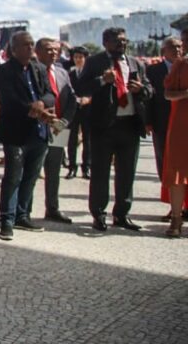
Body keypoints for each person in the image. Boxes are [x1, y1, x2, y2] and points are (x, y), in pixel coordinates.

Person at [75, 27, 153, 232]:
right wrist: (102, 80)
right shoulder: (95, 62)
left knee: (127, 172)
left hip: (130, 124)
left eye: (125, 41)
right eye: (118, 41)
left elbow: (149, 89)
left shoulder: (135, 63)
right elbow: (81, 88)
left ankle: (121, 214)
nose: (123, 44)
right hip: (104, 126)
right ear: (106, 43)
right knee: (100, 172)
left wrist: (141, 89)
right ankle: (99, 214)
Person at [0, 32, 56, 241]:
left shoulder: (38, 68)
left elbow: (50, 94)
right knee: (13, 177)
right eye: (25, 45)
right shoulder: (4, 70)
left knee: (30, 176)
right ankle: (7, 219)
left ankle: (22, 214)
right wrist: (34, 108)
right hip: (15, 132)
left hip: (38, 133)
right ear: (14, 48)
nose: (30, 48)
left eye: (31, 44)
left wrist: (42, 104)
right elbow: (7, 98)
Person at [34, 38, 76, 224]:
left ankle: (52, 208)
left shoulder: (62, 73)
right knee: (32, 170)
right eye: (49, 50)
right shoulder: (32, 71)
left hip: (59, 128)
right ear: (38, 51)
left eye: (56, 50)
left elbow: (71, 100)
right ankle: (22, 211)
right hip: (37, 127)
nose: (53, 53)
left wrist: (63, 122)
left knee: (54, 170)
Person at [147, 36, 183, 219]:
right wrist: (147, 121)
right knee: (165, 163)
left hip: (183, 121)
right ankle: (173, 204)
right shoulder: (153, 70)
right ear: (164, 51)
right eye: (173, 47)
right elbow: (149, 99)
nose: (177, 50)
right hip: (162, 124)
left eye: (180, 47)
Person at [161, 31, 188, 237]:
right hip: (182, 125)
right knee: (178, 172)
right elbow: (168, 94)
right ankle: (176, 219)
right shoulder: (181, 65)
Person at [65, 46, 92, 180]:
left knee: (87, 139)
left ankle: (86, 167)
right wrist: (75, 98)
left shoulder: (91, 73)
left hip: (88, 109)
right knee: (72, 139)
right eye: (75, 57)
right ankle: (72, 167)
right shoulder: (70, 73)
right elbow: (67, 91)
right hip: (74, 109)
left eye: (80, 57)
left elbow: (95, 89)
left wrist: (89, 98)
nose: (78, 60)